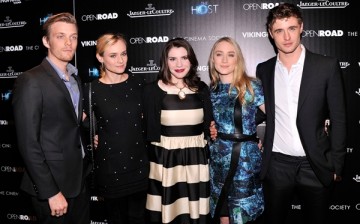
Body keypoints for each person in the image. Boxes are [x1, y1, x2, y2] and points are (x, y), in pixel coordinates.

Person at [256, 3, 346, 224]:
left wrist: (337, 164)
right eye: (279, 30)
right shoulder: (264, 69)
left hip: (315, 166)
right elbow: (260, 111)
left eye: (292, 28)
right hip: (276, 165)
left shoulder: (326, 66)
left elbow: (340, 118)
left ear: (301, 27)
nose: (286, 37)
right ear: (270, 33)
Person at [12, 12, 91, 224]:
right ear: (46, 41)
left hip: (79, 180)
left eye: (73, 37)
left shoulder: (75, 78)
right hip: (52, 186)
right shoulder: (30, 80)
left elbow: (70, 122)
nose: (68, 43)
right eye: (60, 36)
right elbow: (28, 143)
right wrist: (51, 192)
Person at [143, 37, 213, 224]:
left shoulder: (202, 89)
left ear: (191, 60)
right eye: (173, 59)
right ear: (165, 62)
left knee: (195, 214)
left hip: (195, 162)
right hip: (165, 162)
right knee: (168, 213)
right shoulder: (151, 90)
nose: (179, 64)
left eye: (184, 57)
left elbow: (212, 124)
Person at [82, 33, 149, 224]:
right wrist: (92, 135)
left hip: (139, 168)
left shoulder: (139, 85)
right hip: (110, 170)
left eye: (124, 53)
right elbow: (80, 125)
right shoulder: (91, 90)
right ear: (100, 57)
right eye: (113, 55)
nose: (120, 60)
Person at [208, 37, 266, 224]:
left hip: (245, 163)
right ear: (213, 59)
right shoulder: (212, 90)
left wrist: (265, 140)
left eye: (230, 55)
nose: (224, 60)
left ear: (237, 59)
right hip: (219, 160)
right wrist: (211, 129)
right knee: (223, 213)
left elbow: (276, 116)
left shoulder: (251, 86)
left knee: (242, 215)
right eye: (219, 54)